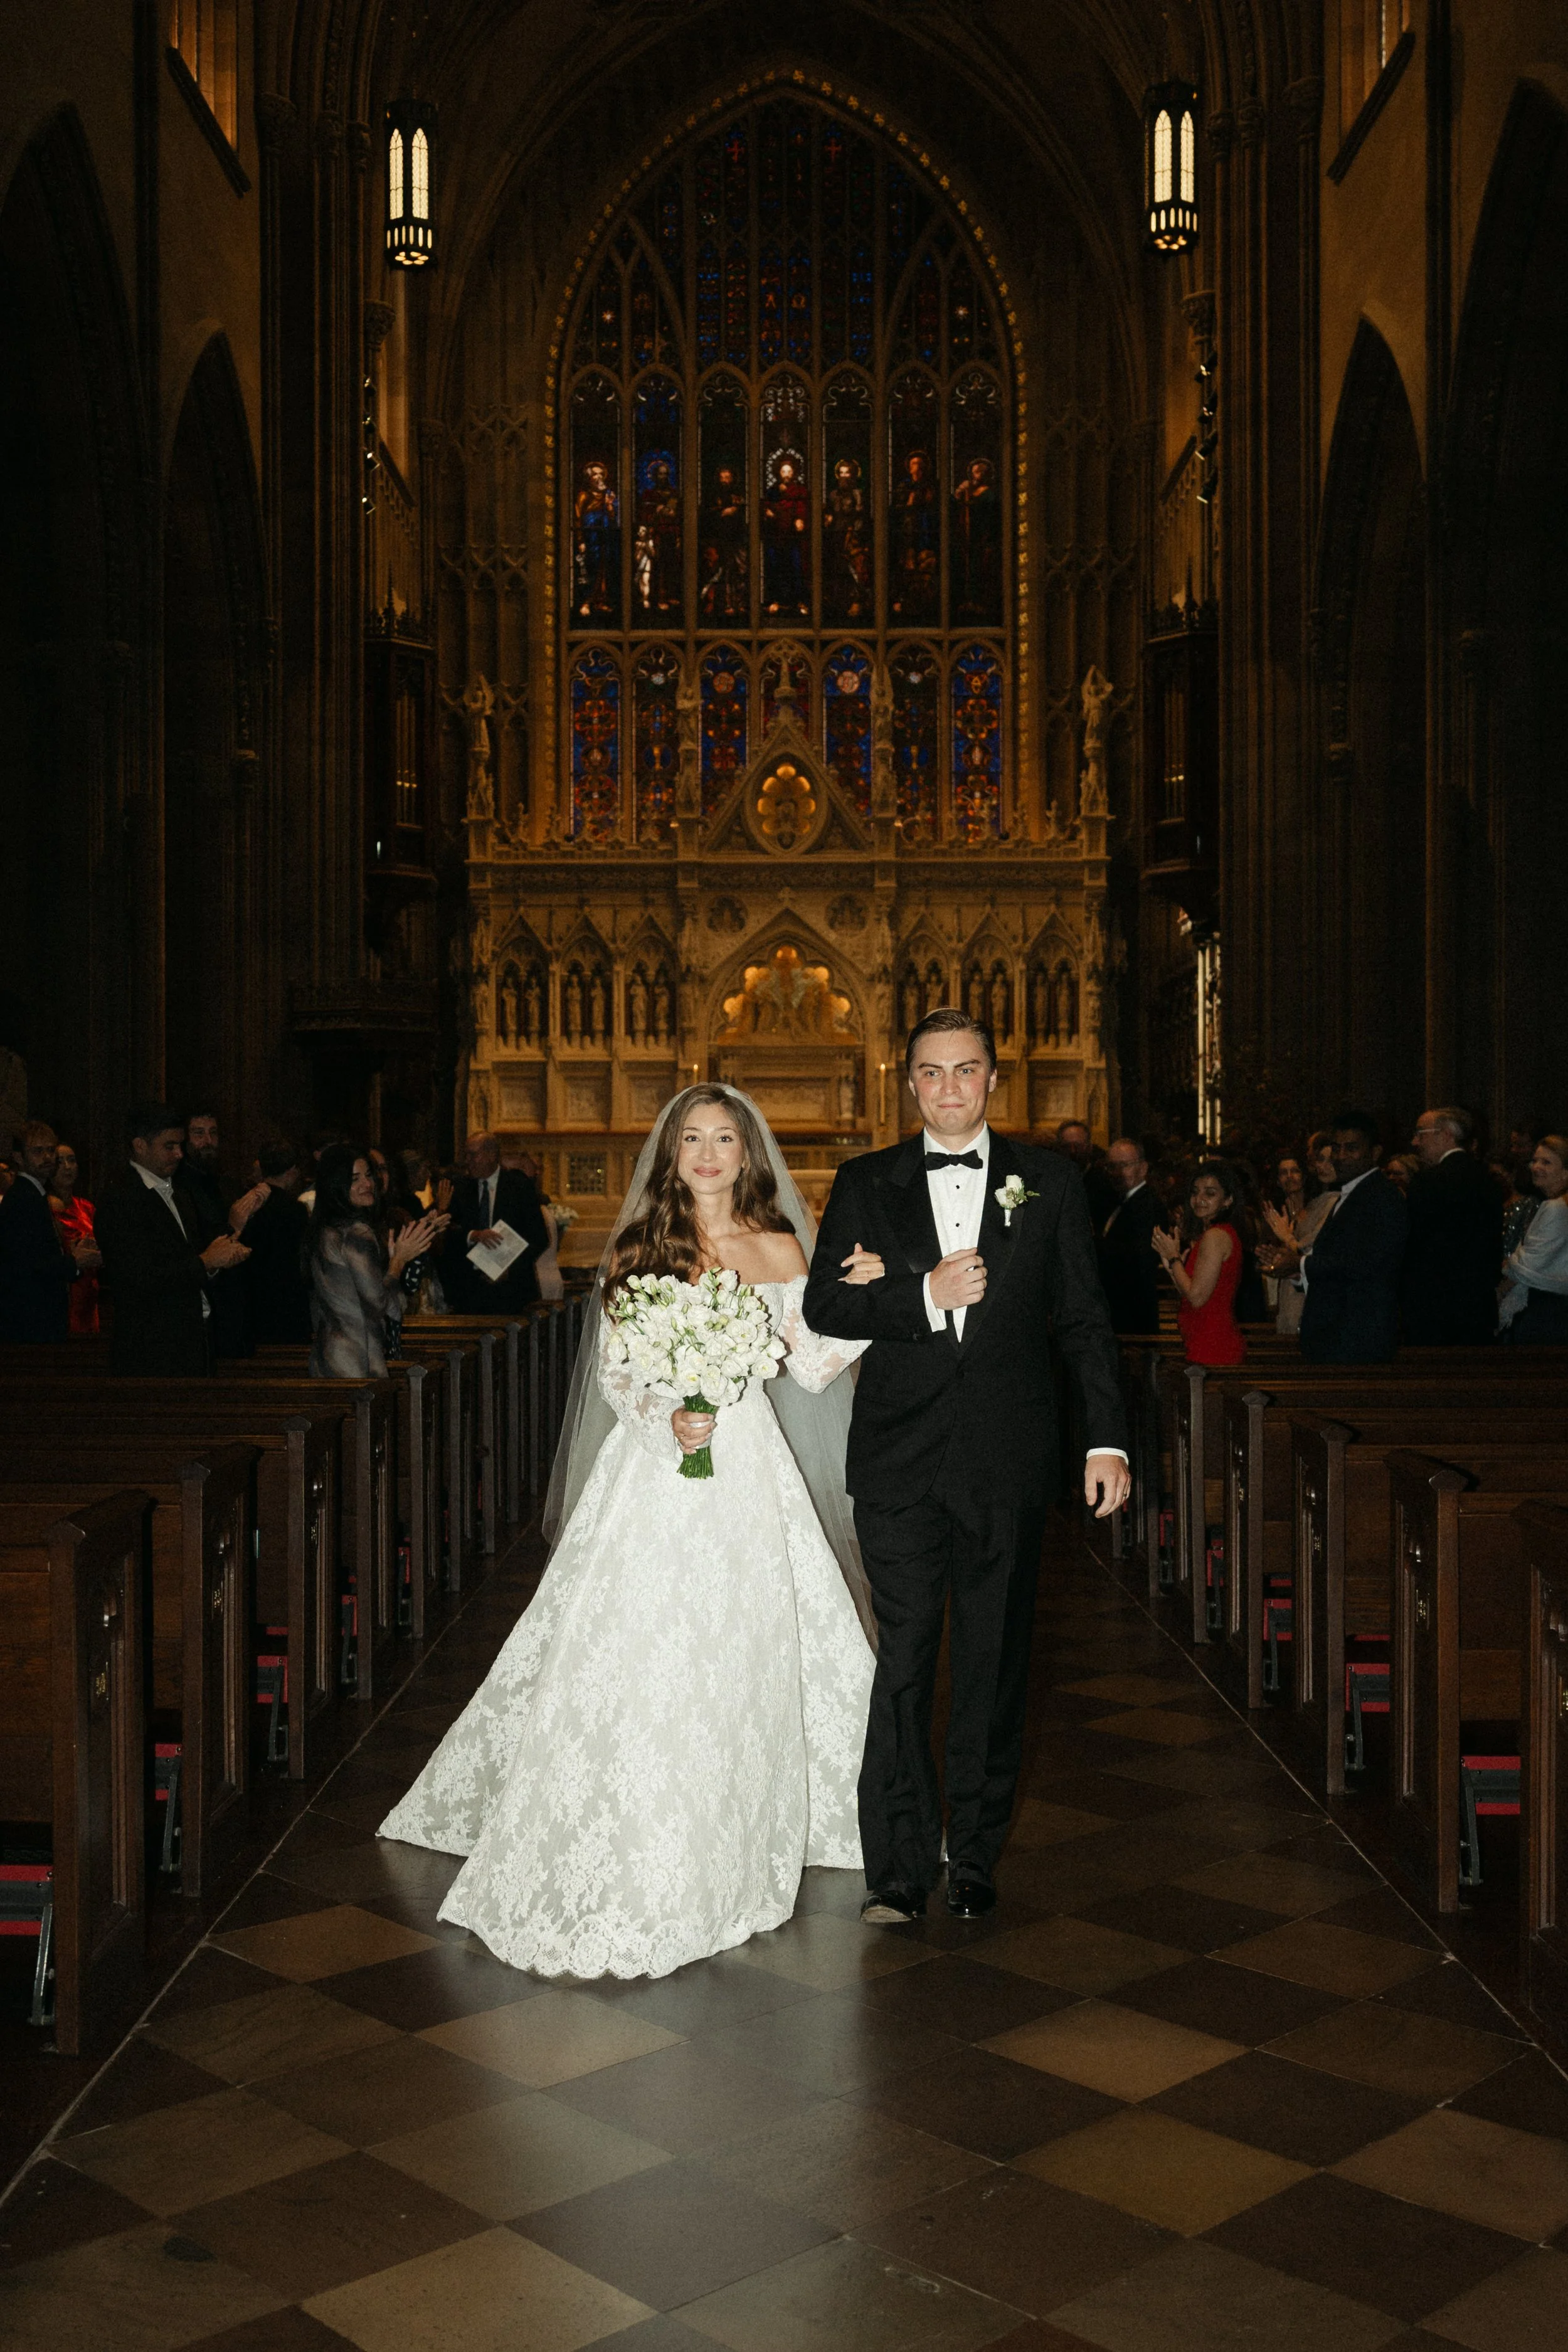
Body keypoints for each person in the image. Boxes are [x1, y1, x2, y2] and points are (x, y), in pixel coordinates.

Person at [380, 1085, 876, 1979]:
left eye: (727, 1137)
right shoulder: (645, 1246)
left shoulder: (777, 1244)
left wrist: (866, 1307)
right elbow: (618, 1377)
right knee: (639, 1640)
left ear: (750, 1154)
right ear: (672, 1152)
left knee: (741, 1638)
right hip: (655, 1472)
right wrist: (668, 1419)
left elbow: (807, 1366)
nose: (711, 1152)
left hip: (750, 1476)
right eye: (694, 1137)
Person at [802, 1009, 1129, 1927]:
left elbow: (1082, 1318)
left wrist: (1107, 1438)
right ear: (908, 1083)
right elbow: (829, 1302)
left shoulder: (1051, 1181)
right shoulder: (868, 1180)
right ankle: (898, 1868)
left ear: (993, 1078)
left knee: (992, 1658)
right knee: (904, 1659)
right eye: (932, 1073)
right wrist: (919, 1293)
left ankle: (975, 1855)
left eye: (967, 1070)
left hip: (1007, 1457)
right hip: (899, 1458)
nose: (949, 1087)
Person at [95, 1104, 250, 1375]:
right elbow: (136, 1279)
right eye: (169, 1146)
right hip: (153, 1348)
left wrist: (220, 1257)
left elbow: (190, 1254)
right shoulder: (120, 1200)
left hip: (194, 1337)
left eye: (180, 1145)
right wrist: (205, 1262)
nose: (180, 1154)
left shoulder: (178, 1191)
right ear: (140, 1145)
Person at [306, 1145, 440, 1377]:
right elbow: (378, 1304)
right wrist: (398, 1261)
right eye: (355, 1179)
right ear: (336, 1184)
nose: (367, 1184)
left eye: (368, 1175)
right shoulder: (357, 1233)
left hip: (329, 1355)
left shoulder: (324, 1229)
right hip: (358, 1359)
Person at [1295, 1111, 1409, 1364]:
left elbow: (1363, 1263)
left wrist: (1300, 1264)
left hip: (1356, 1336)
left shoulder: (1382, 1197)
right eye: (1337, 1148)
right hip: (1338, 1334)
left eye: (1352, 1148)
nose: (1341, 1156)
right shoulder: (1352, 1193)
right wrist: (1296, 1271)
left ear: (1375, 1152)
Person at [1401, 1104, 1503, 1344]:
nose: (1415, 1142)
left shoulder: (1428, 1182)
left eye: (1421, 1134)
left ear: (1445, 1135)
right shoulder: (1487, 1180)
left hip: (1433, 1311)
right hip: (1478, 1309)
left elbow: (1415, 1245)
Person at [182, 1108, 268, 1358]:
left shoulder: (226, 1184)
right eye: (199, 1134)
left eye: (213, 1133)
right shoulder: (180, 1188)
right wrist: (233, 1225)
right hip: (204, 1305)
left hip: (236, 1304)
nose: (208, 1141)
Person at [0, 1120, 96, 1342]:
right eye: (37, 1151)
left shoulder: (34, 1194)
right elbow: (25, 1264)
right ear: (18, 1157)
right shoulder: (23, 1198)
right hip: (30, 1320)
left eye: (51, 1150)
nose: (47, 1158)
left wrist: (71, 1252)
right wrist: (74, 1262)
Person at [440, 1131, 551, 1313]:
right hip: (469, 1291)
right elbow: (447, 1236)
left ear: (492, 1155)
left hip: (512, 1292)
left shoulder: (518, 1186)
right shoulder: (460, 1189)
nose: (468, 1160)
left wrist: (510, 1270)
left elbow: (539, 1238)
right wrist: (472, 1235)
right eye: (466, 1155)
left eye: (473, 1155)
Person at [1153, 1159, 1246, 1367]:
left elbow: (1197, 1298)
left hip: (1213, 1342)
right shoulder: (1211, 1234)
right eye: (1195, 1192)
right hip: (1202, 1338)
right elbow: (1190, 1291)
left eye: (1210, 1193)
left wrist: (1175, 1258)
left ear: (1228, 1200)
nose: (1199, 1199)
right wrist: (1172, 1266)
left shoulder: (1216, 1236)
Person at [1259, 1138, 1337, 1336]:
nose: (1290, 1177)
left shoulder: (1326, 1204)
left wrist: (1287, 1237)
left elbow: (1310, 1253)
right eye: (1283, 1173)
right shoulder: (1278, 1209)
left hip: (1310, 1295)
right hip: (1285, 1291)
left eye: (1294, 1171)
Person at [241, 1143, 313, 1345]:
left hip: (254, 1302)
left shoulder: (246, 1204)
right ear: (292, 1172)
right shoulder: (295, 1211)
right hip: (288, 1301)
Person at [1500, 1135, 1568, 1344]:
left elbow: (1527, 1266)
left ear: (1565, 1173)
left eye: (1546, 1163)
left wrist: (1508, 1267)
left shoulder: (1556, 1208)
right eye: (1535, 1160)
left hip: (1545, 1308)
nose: (1536, 1167)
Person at [1096, 1136, 1163, 1334]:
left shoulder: (1147, 1205)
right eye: (1111, 1167)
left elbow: (1139, 1256)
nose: (1116, 1173)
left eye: (1124, 1165)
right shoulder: (1119, 1202)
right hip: (1119, 1310)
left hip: (1133, 1311)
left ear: (1143, 1168)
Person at [51, 1140, 102, 1336]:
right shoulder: (45, 1207)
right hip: (65, 1289)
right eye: (60, 1162)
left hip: (89, 1288)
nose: (67, 1167)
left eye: (71, 1160)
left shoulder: (86, 1207)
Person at [1056, 1118, 1119, 1233]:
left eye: (1078, 1146)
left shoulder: (1103, 1184)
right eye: (1067, 1146)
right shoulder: (1052, 1183)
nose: (1073, 1151)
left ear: (1089, 1147)